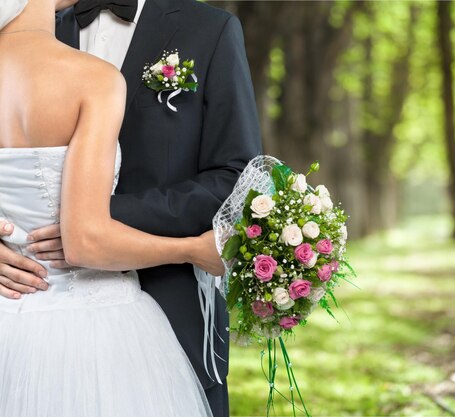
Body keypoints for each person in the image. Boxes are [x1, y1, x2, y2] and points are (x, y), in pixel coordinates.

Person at [0, 0, 261, 414]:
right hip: (25, 300)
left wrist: (97, 218)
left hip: (168, 308)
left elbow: (235, 177)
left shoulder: (209, 30)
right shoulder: (45, 30)